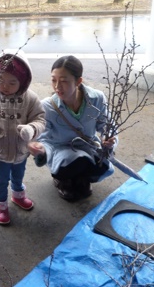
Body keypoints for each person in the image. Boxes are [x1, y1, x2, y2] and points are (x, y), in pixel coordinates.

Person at [28, 55, 118, 202]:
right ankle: (63, 180)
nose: (57, 86)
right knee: (75, 161)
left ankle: (82, 179)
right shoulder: (47, 106)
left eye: (63, 81)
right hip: (61, 149)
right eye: (53, 80)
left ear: (78, 81)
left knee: (101, 165)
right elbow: (44, 138)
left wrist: (107, 139)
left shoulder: (97, 98)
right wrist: (42, 150)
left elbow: (106, 124)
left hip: (88, 146)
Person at [0, 49, 46, 225]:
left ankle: (18, 195)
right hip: (0, 148)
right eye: (1, 81)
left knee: (19, 174)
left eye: (12, 82)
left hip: (20, 148)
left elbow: (40, 119)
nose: (5, 86)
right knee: (1, 179)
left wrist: (31, 129)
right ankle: (1, 206)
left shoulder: (31, 98)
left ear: (24, 81)